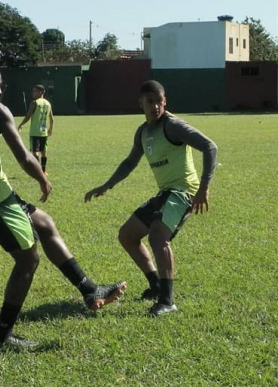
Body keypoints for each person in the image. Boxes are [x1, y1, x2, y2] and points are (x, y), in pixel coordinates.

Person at [0, 61, 126, 350]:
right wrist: (43, 179)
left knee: (44, 223)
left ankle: (89, 290)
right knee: (28, 260)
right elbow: (24, 157)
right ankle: (2, 337)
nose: (1, 89)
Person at [84, 80, 217, 317]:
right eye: (150, 101)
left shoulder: (173, 126)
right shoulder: (143, 132)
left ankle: (167, 301)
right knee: (127, 235)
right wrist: (107, 185)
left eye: (159, 101)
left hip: (183, 192)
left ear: (165, 101)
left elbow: (210, 147)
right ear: (141, 104)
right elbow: (130, 162)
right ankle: (155, 285)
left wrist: (203, 188)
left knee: (158, 238)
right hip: (165, 193)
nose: (155, 106)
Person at [17, 85, 54, 173]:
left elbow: (28, 116)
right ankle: (44, 170)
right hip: (44, 132)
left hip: (35, 132)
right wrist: (50, 129)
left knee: (35, 152)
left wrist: (21, 124)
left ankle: (38, 172)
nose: (32, 93)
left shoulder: (34, 103)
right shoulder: (48, 103)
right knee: (44, 151)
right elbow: (52, 119)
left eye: (34, 91)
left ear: (41, 92)